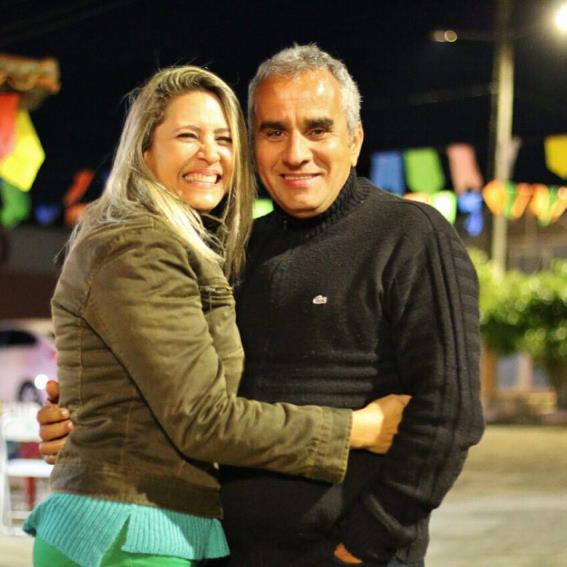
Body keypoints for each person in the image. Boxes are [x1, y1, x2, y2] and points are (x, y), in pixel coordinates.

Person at [39, 44, 484, 566]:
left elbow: (448, 415)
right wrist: (89, 416)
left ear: (355, 139)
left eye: (317, 129)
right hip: (214, 550)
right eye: (273, 131)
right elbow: (187, 393)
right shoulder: (230, 249)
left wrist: (368, 543)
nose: (295, 153)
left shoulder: (410, 235)